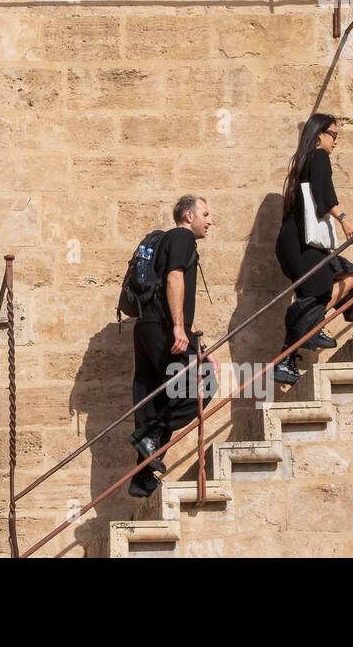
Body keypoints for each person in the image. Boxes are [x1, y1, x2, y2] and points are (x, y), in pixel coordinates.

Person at [127, 195, 218, 498]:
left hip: (146, 328)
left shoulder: (166, 241)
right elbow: (174, 279)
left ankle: (142, 478)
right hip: (163, 328)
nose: (210, 220)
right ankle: (147, 437)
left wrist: (196, 342)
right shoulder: (182, 236)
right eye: (206, 214)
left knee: (156, 397)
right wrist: (179, 327)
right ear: (189, 215)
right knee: (202, 384)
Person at [273, 113, 353, 386]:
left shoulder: (303, 161)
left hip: (295, 243)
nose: (335, 141)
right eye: (333, 135)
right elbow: (323, 193)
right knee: (339, 282)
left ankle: (287, 359)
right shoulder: (318, 157)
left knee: (326, 290)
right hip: (301, 241)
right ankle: (307, 333)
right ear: (318, 135)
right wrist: (345, 219)